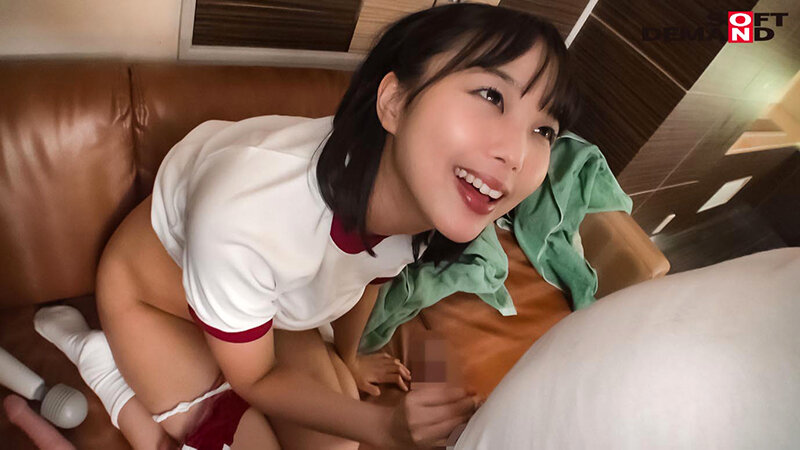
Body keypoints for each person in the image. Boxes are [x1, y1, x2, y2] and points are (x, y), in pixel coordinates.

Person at [35, 3, 580, 449]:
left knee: (336, 445)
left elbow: (370, 278)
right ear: (394, 102)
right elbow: (256, 378)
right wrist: (384, 427)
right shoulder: (251, 211)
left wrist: (349, 360)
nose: (516, 155)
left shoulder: (433, 201)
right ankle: (99, 360)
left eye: (544, 130)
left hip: (268, 314)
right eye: (492, 96)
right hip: (158, 303)